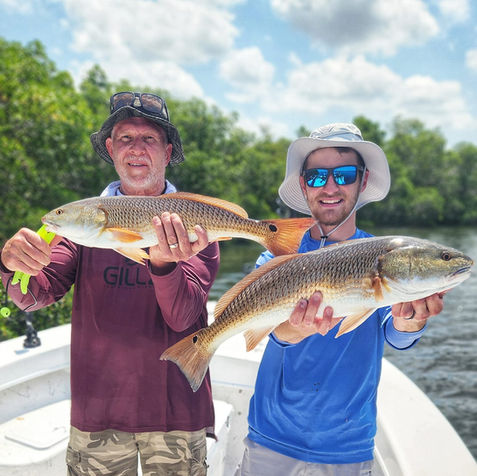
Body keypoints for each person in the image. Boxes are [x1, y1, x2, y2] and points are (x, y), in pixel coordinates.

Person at [0, 92, 220, 475]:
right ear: (111, 149)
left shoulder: (194, 223)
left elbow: (184, 316)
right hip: (97, 415)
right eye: (125, 138)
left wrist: (163, 264)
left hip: (176, 413)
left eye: (149, 139)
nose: (136, 148)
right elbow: (33, 296)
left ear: (167, 152)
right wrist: (12, 265)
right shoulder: (81, 223)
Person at [236, 123, 446, 475]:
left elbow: (396, 334)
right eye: (317, 176)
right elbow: (272, 333)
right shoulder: (276, 256)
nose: (330, 187)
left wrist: (411, 321)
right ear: (304, 184)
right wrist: (295, 330)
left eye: (345, 174)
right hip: (270, 439)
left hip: (347, 448)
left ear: (363, 181)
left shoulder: (383, 257)